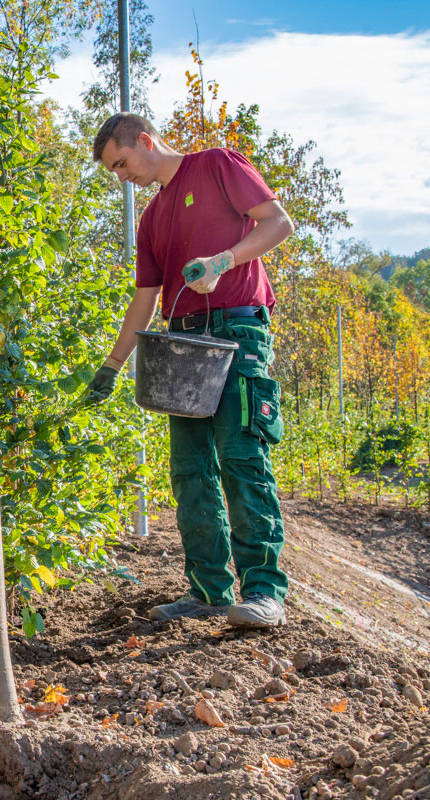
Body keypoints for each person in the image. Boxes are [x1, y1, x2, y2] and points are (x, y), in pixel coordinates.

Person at [86, 113, 295, 629]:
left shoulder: (217, 166)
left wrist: (224, 261)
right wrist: (112, 365)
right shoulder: (152, 218)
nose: (121, 176)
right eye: (113, 171)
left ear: (145, 140)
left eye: (122, 162)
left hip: (237, 332)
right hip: (182, 344)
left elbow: (278, 224)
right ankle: (209, 592)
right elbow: (145, 300)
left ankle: (265, 592)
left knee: (242, 457)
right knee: (190, 471)